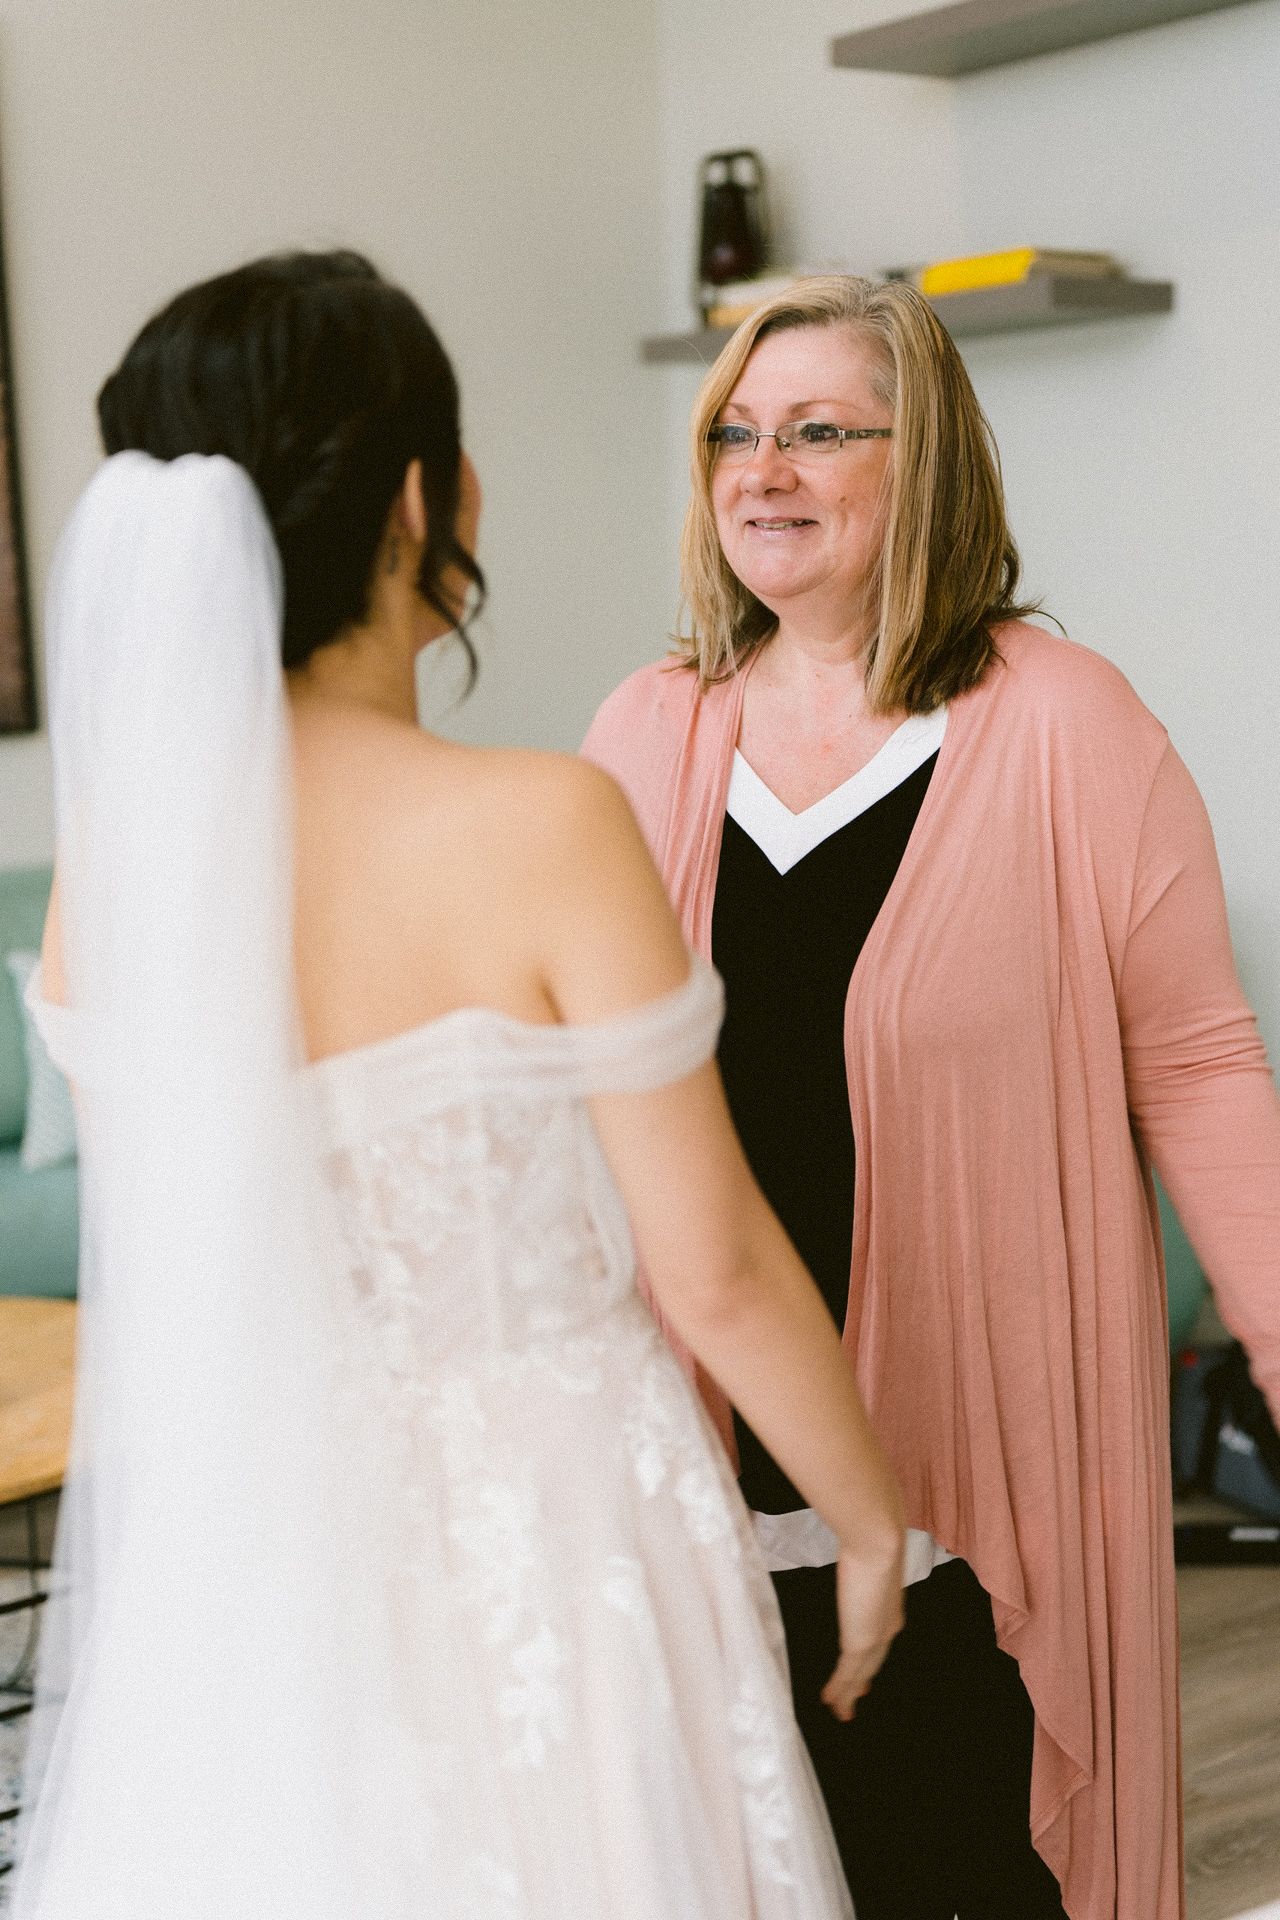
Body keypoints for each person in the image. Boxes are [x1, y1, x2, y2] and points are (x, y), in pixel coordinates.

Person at [13, 253, 906, 1920]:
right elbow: (709, 1261)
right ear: (420, 497)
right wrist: (868, 1520)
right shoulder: (541, 823)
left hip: (258, 1538)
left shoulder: (107, 881)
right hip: (557, 1532)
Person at [582, 273, 1280, 1920]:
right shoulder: (646, 729)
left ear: (931, 464)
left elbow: (1194, 1063)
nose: (763, 471)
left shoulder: (1068, 725)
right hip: (714, 1426)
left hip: (984, 1449)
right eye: (732, 436)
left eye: (820, 431)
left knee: (966, 1846)